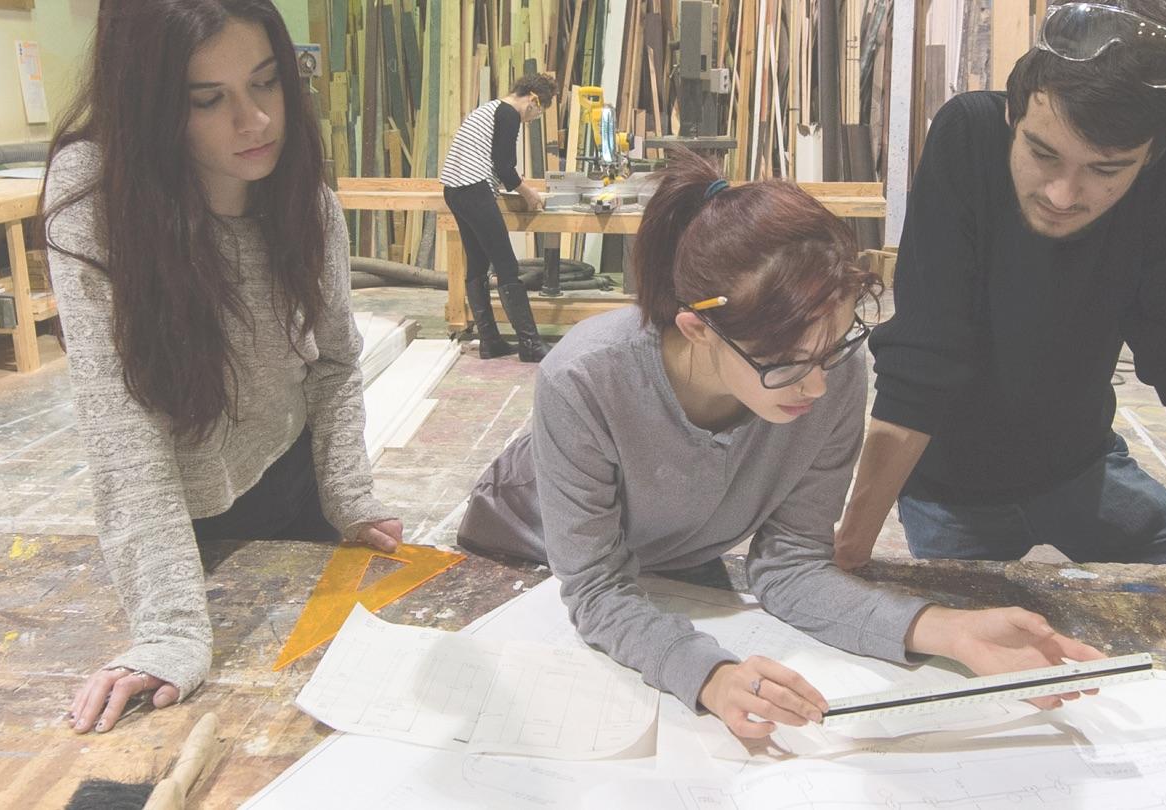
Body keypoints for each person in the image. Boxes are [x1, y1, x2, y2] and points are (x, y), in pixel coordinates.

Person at [457, 154, 1108, 740]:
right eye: (788, 364)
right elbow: (595, 584)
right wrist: (705, 674)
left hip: (666, 559)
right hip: (523, 551)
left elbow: (792, 564)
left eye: (830, 350)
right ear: (698, 329)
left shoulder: (827, 372)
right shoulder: (586, 378)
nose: (818, 385)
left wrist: (942, 629)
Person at [39, 0, 400, 734]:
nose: (257, 121)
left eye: (267, 83)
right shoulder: (94, 198)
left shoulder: (306, 199)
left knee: (315, 712)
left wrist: (349, 497)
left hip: (292, 477)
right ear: (148, 107)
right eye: (210, 100)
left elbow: (333, 363)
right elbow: (121, 422)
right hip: (178, 509)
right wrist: (168, 631)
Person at [834, 0, 1166, 569]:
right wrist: (852, 547)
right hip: (953, 491)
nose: (1061, 194)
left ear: (1150, 156)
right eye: (1042, 152)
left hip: (1084, 468)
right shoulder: (968, 136)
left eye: (1106, 169)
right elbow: (924, 359)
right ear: (1013, 114)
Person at [438, 73, 560, 362]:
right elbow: (504, 167)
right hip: (474, 189)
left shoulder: (489, 108)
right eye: (538, 111)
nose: (534, 118)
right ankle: (530, 344)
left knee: (478, 264)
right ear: (532, 99)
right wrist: (528, 193)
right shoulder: (509, 113)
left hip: (454, 189)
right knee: (506, 264)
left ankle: (490, 342)